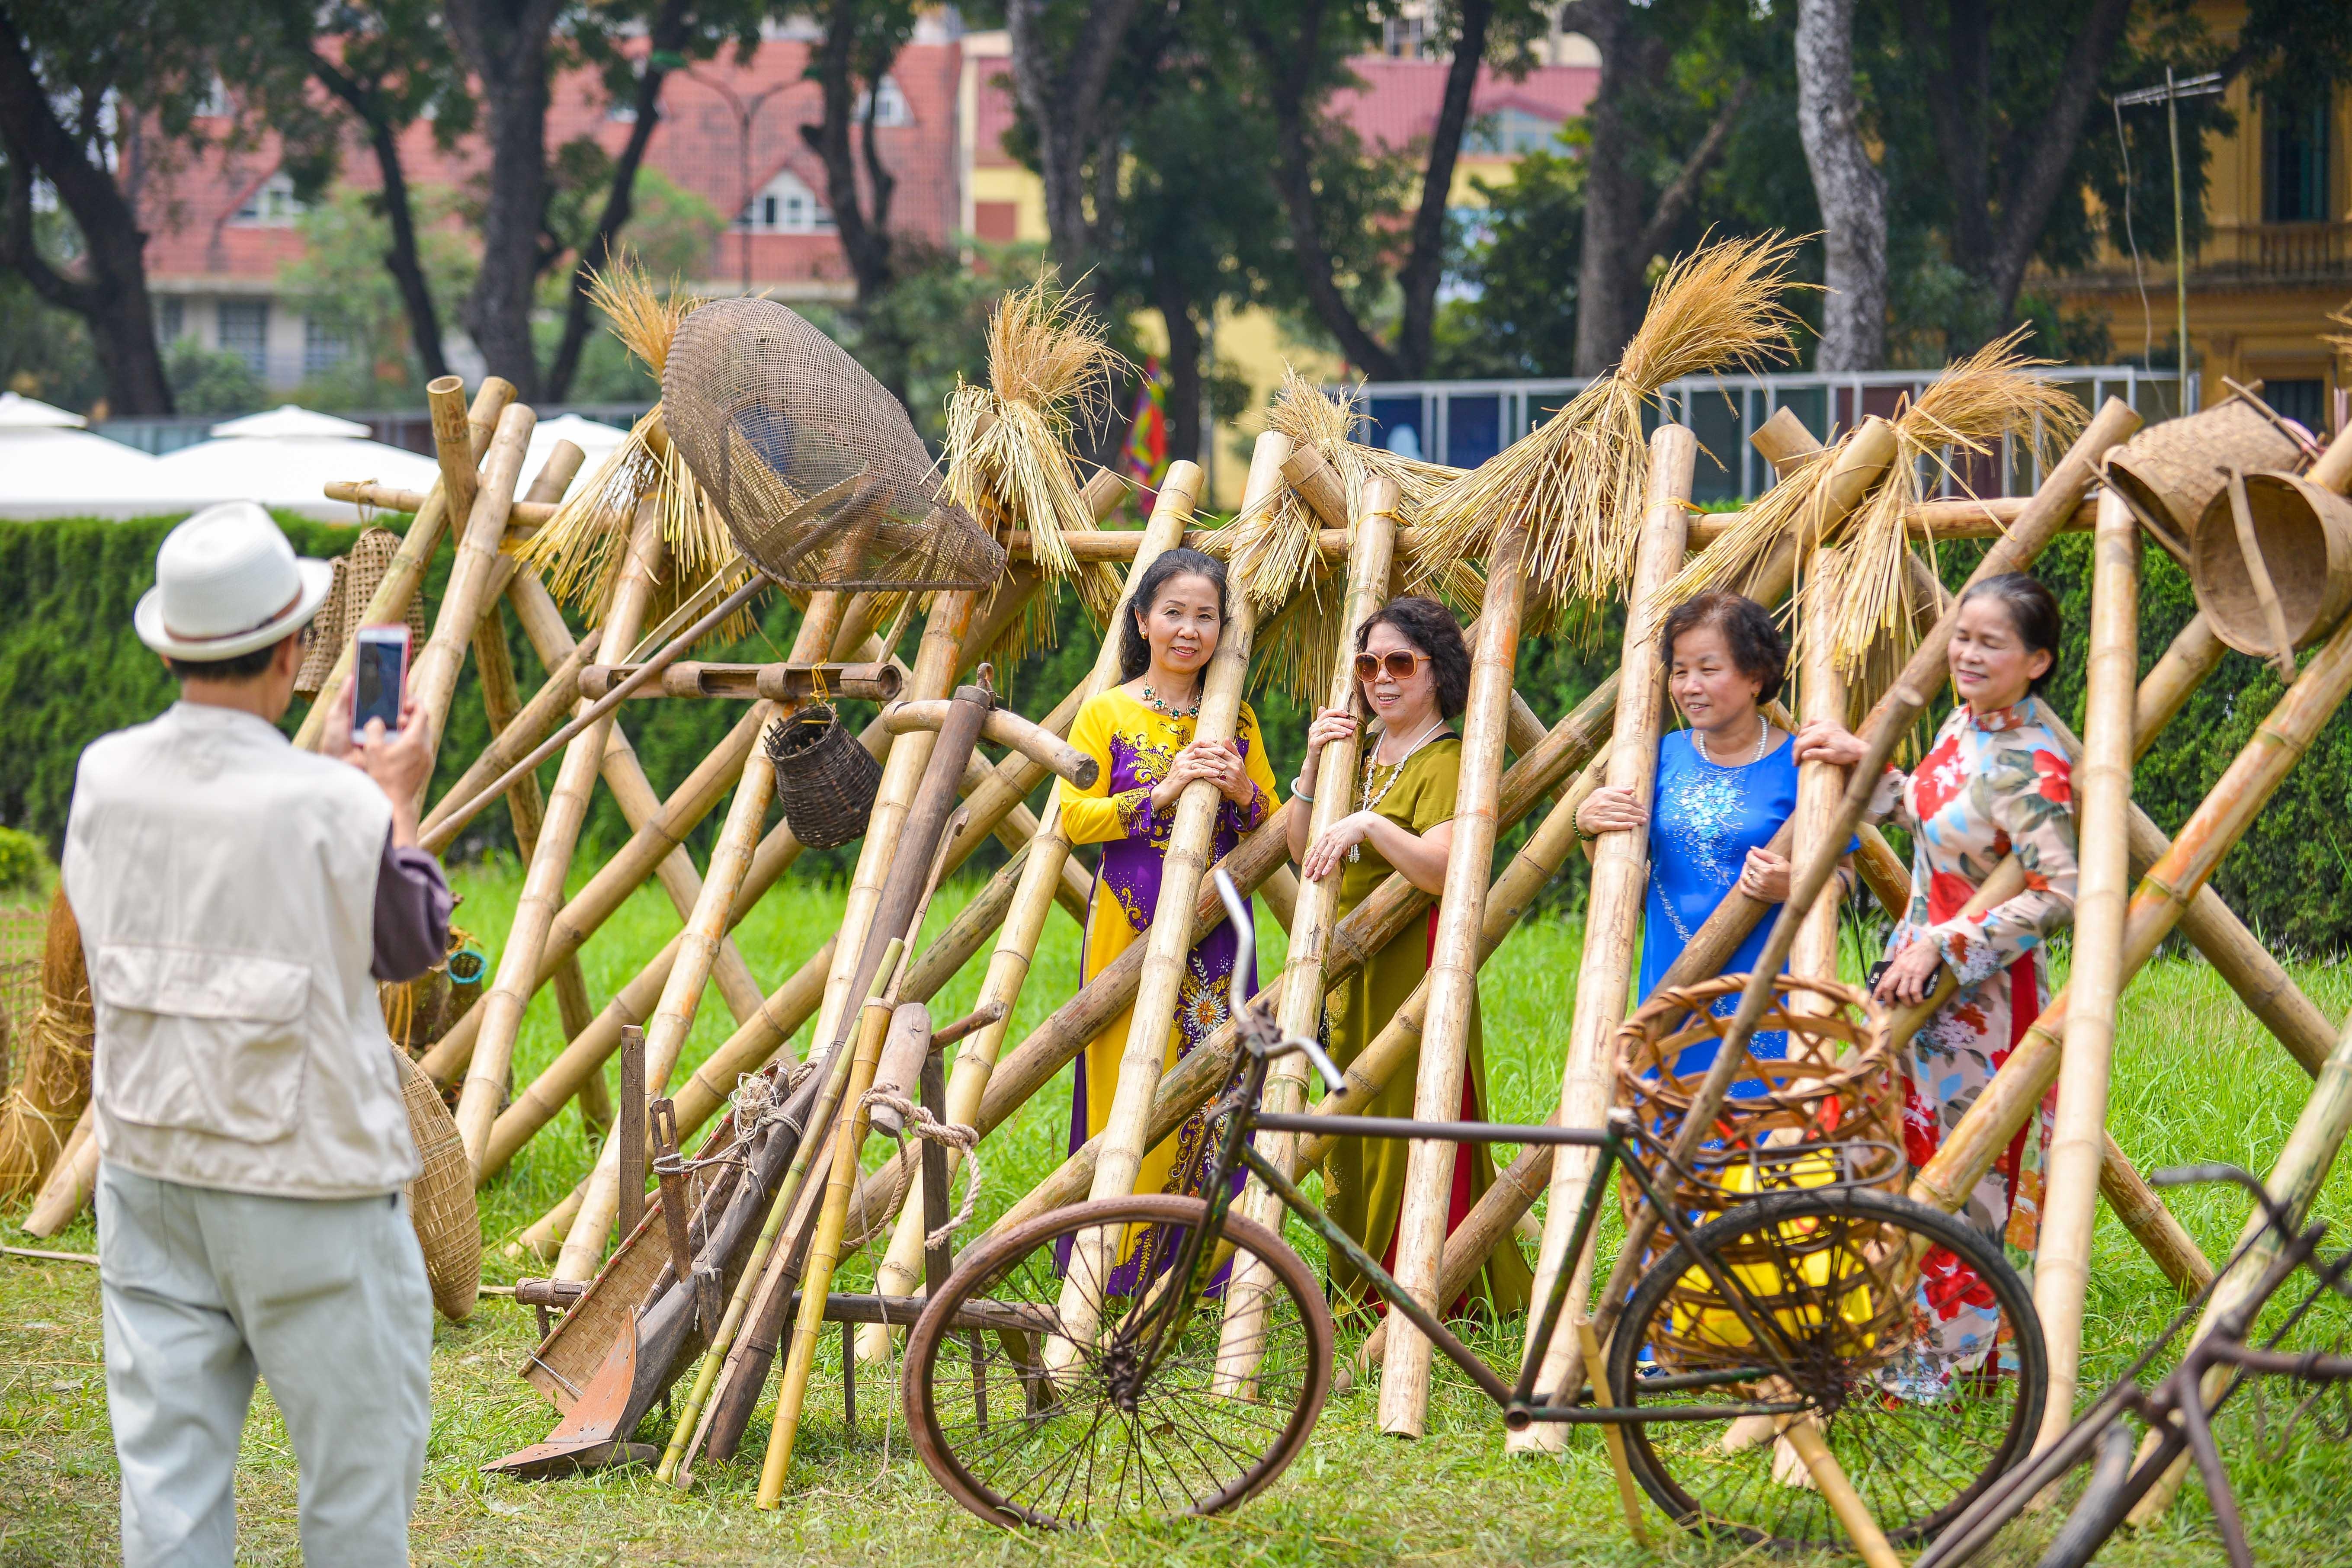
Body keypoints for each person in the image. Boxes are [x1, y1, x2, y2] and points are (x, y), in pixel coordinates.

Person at [61, 501, 452, 1567]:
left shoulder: (106, 774)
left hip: (150, 1171)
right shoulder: (332, 804)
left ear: (169, 647)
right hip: (310, 1187)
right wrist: (395, 799)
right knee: (355, 1489)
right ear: (294, 650)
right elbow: (411, 941)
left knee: (168, 1492)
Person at [1794, 572, 2078, 1369]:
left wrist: (1946, 945)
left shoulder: (2033, 761)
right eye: (1962, 637)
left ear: (2036, 662)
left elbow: (2059, 891)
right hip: (1915, 985)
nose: (1968, 654)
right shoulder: (1964, 723)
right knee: (1900, 1160)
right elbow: (1934, 813)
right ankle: (1894, 1346)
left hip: (1982, 1005)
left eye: (1991, 644)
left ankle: (1953, 1366)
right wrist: (1864, 766)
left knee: (1966, 1181)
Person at [1291, 595, 1534, 1315]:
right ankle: (1357, 1289)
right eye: (1368, 665)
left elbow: (1443, 867)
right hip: (1349, 969)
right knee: (1350, 1125)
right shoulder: (1359, 754)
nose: (1381, 678)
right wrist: (1313, 764)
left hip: (1416, 963)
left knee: (1412, 1118)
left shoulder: (1449, 759)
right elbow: (1303, 851)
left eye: (1400, 662)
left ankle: (1433, 1292)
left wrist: (1368, 824)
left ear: (1438, 671)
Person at [1056, 548, 1279, 1293]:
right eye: (1174, 613)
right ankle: (1112, 1269)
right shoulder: (1107, 712)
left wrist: (1243, 789)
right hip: (1129, 927)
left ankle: (1202, 1275)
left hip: (1219, 932)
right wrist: (1161, 791)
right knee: (1126, 1078)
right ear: (1142, 621)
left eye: (1205, 617)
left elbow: (1271, 823)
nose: (1189, 630)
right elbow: (1073, 817)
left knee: (1217, 1082)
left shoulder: (1235, 718)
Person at [1576, 590, 1852, 1074]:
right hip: (1670, 979)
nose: (1690, 686)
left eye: (1708, 669)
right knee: (1667, 1108)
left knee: (1764, 1111)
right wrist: (1588, 826)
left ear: (1755, 676)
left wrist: (1793, 884)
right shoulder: (1657, 757)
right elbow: (1624, 872)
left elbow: (1846, 876)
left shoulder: (1802, 766)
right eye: (1680, 671)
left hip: (1769, 984)